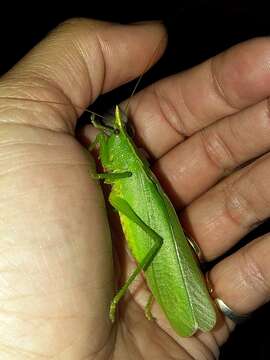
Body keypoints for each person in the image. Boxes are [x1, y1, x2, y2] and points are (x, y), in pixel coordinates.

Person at [0, 18, 269, 359]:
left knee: (157, 236)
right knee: (156, 229)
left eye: (116, 134)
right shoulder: (125, 155)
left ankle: (136, 296)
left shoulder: (127, 162)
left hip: (141, 214)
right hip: (136, 208)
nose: (110, 137)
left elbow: (122, 179)